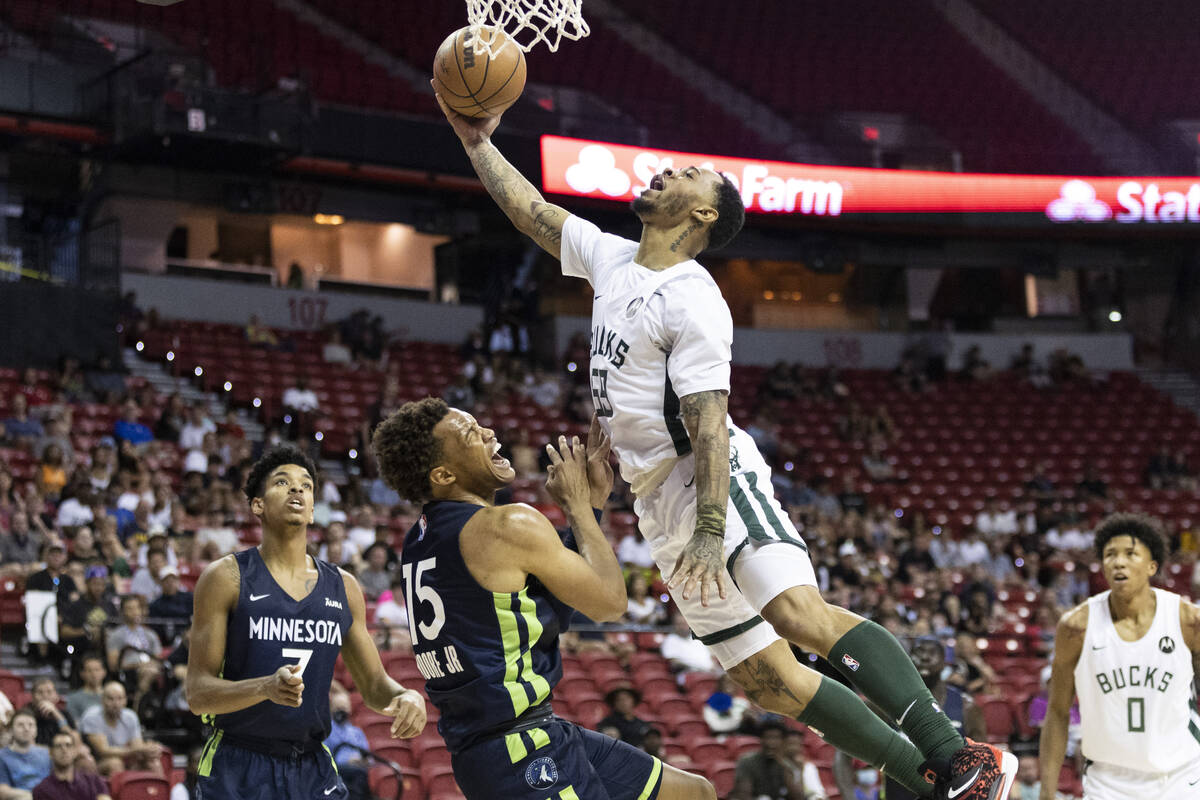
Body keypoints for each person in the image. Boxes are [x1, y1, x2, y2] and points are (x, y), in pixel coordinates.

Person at [436, 88, 1015, 800]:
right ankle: (931, 783)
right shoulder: (613, 259)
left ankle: (956, 752)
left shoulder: (693, 296)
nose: (664, 174)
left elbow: (708, 419)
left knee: (796, 612)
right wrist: (477, 142)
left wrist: (712, 526)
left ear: (703, 214)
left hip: (709, 478)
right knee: (766, 680)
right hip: (656, 500)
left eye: (684, 176)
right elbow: (533, 212)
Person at [371, 400, 715, 799]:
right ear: (444, 474)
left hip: (511, 742)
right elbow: (609, 603)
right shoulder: (506, 524)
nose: (488, 432)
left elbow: (551, 608)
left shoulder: (419, 538)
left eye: (479, 423)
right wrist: (577, 507)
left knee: (695, 793)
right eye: (470, 434)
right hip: (518, 750)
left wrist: (591, 505)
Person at [184, 445, 426, 800]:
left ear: (313, 510)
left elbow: (374, 685)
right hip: (238, 762)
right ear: (258, 505)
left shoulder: (343, 586)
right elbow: (198, 694)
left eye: (306, 485)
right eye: (282, 482)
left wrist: (405, 695)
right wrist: (264, 688)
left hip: (312, 764)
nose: (297, 489)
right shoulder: (226, 578)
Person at [1039, 513, 1200, 800]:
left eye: (1131, 553)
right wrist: (1046, 792)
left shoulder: (1187, 620)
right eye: (1109, 555)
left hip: (1181, 776)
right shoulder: (1076, 626)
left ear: (1152, 565)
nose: (1119, 561)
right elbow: (1057, 712)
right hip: (1107, 782)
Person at [835, 636, 986, 800]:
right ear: (908, 660)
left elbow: (982, 764)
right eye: (918, 652)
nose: (925, 657)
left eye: (932, 653)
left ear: (945, 662)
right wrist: (849, 795)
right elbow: (843, 749)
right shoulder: (886, 703)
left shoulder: (966, 706)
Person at [78, 682, 160, 776]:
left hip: (125, 759)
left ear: (125, 700)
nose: (116, 703)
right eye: (111, 699)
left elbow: (137, 747)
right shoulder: (92, 717)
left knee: (153, 762)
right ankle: (120, 791)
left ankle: (158, 789)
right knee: (115, 763)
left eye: (120, 698)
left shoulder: (131, 716)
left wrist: (149, 750)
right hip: (96, 763)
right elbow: (103, 751)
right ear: (102, 700)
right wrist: (138, 750)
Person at [730, 719, 810, 800]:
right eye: (767, 737)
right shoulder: (747, 761)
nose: (771, 743)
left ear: (783, 741)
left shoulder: (786, 763)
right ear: (761, 739)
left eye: (776, 738)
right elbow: (743, 795)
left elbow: (799, 797)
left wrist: (785, 766)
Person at [31, 731, 110, 800]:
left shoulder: (94, 781)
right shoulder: (42, 790)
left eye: (68, 745)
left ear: (75, 751)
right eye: (58, 746)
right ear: (51, 753)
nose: (64, 750)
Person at [324, 689, 370, 800]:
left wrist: (361, 761)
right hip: (336, 773)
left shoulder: (357, 732)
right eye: (338, 708)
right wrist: (347, 761)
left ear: (349, 709)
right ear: (331, 709)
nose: (341, 711)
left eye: (344, 708)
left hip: (358, 773)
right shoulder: (325, 731)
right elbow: (324, 758)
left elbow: (368, 757)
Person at [0, 710, 51, 798]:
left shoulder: (46, 754)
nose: (26, 729)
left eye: (31, 725)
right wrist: (33, 795)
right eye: (20, 725)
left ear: (36, 731)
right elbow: (3, 791)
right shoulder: (2, 756)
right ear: (11, 730)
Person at [64, 657, 106, 725]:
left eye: (97, 670)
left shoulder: (113, 696)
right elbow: (74, 723)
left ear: (104, 672)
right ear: (82, 674)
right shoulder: (73, 698)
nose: (94, 674)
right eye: (89, 671)